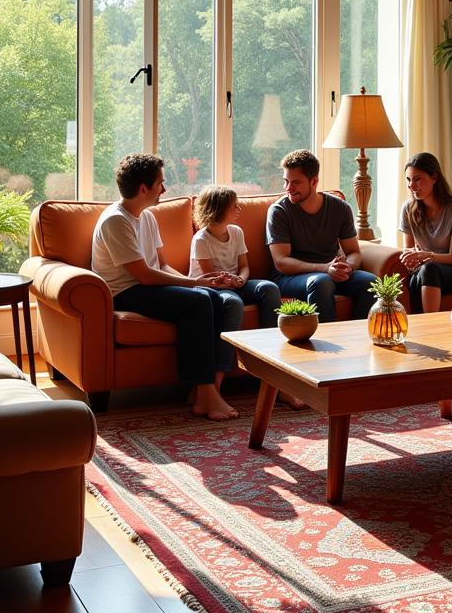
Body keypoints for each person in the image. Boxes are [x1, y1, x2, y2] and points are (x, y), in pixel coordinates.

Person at [91, 154, 239, 421]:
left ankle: (202, 391)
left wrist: (200, 285)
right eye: (161, 183)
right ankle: (205, 393)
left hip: (145, 286)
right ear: (143, 189)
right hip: (124, 293)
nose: (165, 188)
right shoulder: (116, 220)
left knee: (213, 298)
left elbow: (162, 265)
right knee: (198, 302)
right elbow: (145, 276)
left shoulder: (146, 216)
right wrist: (194, 282)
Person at [190, 186, 306, 409]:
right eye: (234, 206)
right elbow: (209, 275)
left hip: (233, 282)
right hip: (209, 287)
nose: (239, 209)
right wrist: (229, 282)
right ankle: (214, 387)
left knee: (269, 288)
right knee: (233, 302)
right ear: (219, 209)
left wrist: (241, 280)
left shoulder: (236, 232)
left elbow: (244, 267)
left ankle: (276, 377)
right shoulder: (201, 239)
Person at [266, 149, 376, 322]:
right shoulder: (279, 211)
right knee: (321, 282)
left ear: (314, 181)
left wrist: (347, 267)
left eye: (295, 182)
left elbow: (354, 252)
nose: (288, 188)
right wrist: (325, 268)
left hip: (330, 272)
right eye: (286, 181)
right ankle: (324, 345)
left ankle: (358, 339)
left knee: (371, 283)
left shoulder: (340, 208)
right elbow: (281, 262)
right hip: (290, 277)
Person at [398, 152, 452, 312]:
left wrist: (426, 256)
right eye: (408, 179)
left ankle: (430, 324)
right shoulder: (408, 209)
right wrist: (410, 256)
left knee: (428, 269)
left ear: (434, 177)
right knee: (420, 274)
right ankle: (419, 329)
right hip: (425, 269)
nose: (411, 185)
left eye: (417, 179)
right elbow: (409, 248)